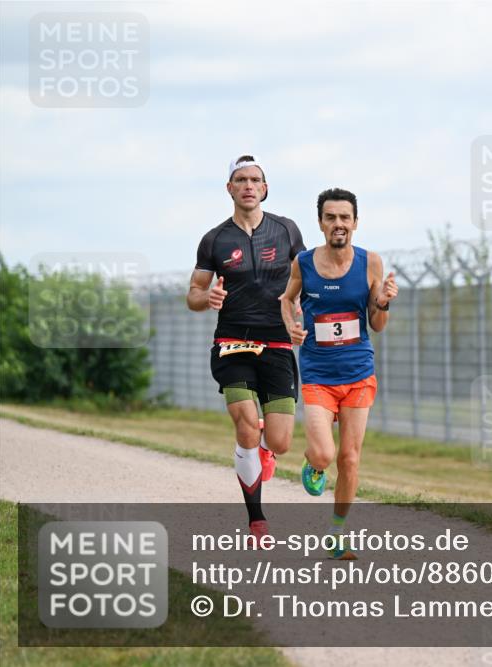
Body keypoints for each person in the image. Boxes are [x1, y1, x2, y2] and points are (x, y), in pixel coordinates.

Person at [187, 155, 305, 541]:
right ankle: (257, 520)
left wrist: (300, 315)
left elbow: (304, 279)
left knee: (282, 442)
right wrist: (210, 297)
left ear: (265, 188)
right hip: (232, 341)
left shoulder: (287, 230)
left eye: (255, 179)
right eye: (241, 180)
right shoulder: (215, 239)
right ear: (230, 189)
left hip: (277, 341)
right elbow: (193, 295)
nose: (249, 185)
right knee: (244, 428)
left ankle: (265, 445)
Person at [279, 187, 397, 560]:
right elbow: (286, 300)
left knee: (349, 458)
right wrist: (292, 327)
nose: (338, 224)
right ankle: (313, 463)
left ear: (355, 222)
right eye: (331, 217)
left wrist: (383, 302)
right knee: (324, 453)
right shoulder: (304, 263)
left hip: (359, 372)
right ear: (320, 223)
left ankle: (336, 533)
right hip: (317, 373)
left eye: (345, 217)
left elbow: (377, 324)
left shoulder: (370, 263)